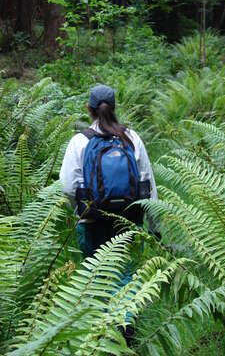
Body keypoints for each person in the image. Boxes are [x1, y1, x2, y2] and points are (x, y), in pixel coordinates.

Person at [60, 84, 158, 259]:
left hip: (92, 223)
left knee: (96, 279)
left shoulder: (79, 142)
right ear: (114, 108)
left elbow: (68, 187)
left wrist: (81, 212)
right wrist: (154, 227)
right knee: (130, 278)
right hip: (130, 221)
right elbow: (147, 183)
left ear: (89, 109)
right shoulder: (131, 138)